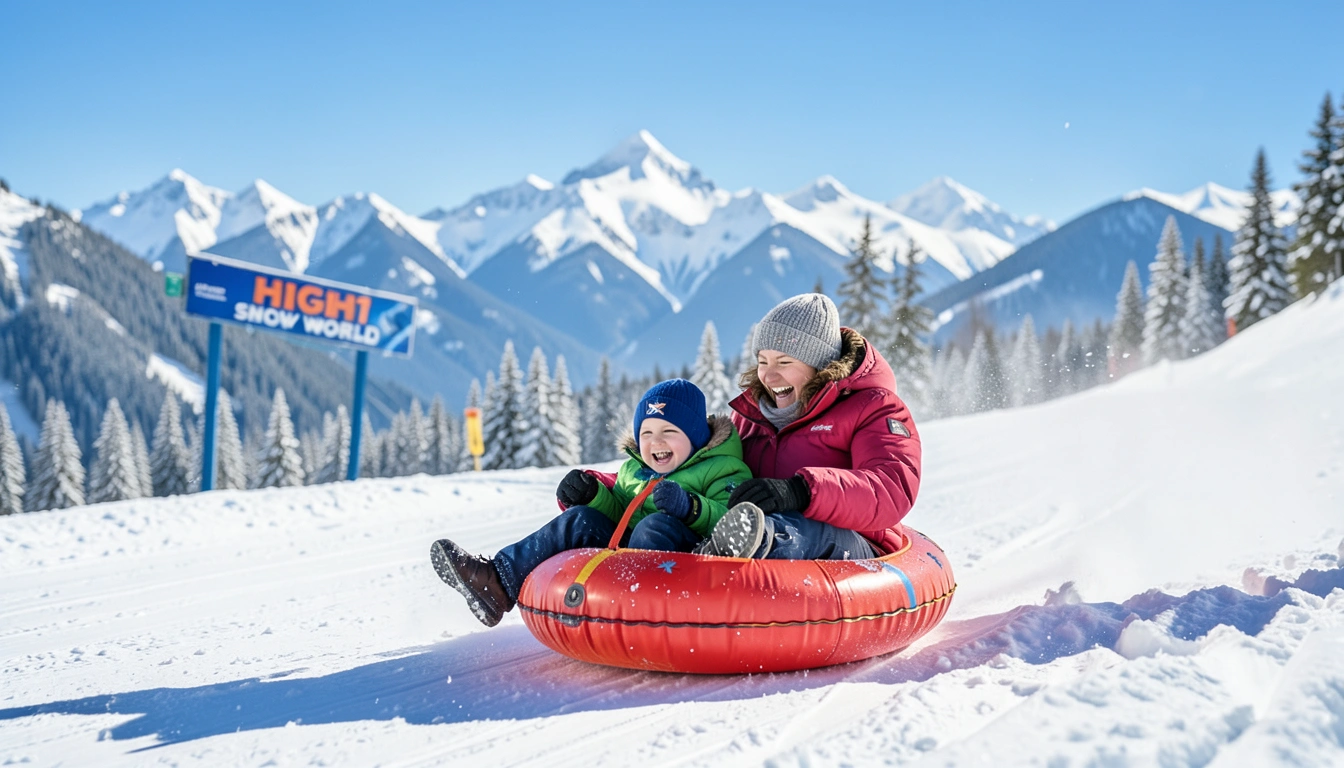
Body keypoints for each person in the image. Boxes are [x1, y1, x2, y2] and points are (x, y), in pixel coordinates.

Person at [431, 378, 753, 626]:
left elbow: (732, 521)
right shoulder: (634, 469)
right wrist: (594, 496)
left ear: (695, 437)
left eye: (669, 431)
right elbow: (620, 515)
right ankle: (497, 582)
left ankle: (638, 612)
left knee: (654, 525)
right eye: (647, 433)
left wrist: (690, 507)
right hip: (631, 554)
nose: (656, 442)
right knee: (580, 518)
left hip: (683, 558)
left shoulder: (722, 467)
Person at [695, 293, 920, 560]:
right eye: (763, 362)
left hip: (855, 546)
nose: (768, 375)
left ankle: (739, 550)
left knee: (809, 531)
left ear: (821, 365)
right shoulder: (751, 416)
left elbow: (891, 487)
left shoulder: (874, 408)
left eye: (784, 362)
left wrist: (801, 491)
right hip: (763, 551)